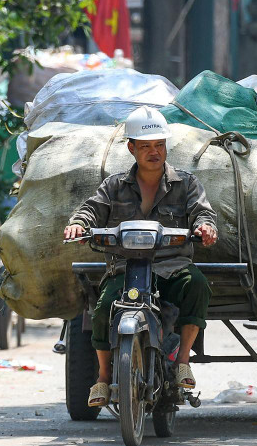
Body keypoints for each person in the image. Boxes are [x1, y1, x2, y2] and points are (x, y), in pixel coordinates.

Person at [63, 107, 219, 407]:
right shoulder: (114, 185)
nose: (154, 152)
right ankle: (104, 377)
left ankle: (183, 361)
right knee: (103, 306)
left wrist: (205, 227)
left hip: (173, 266)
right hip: (126, 267)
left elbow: (204, 213)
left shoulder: (186, 184)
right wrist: (78, 224)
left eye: (159, 145)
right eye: (145, 146)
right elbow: (91, 209)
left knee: (197, 285)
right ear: (131, 148)